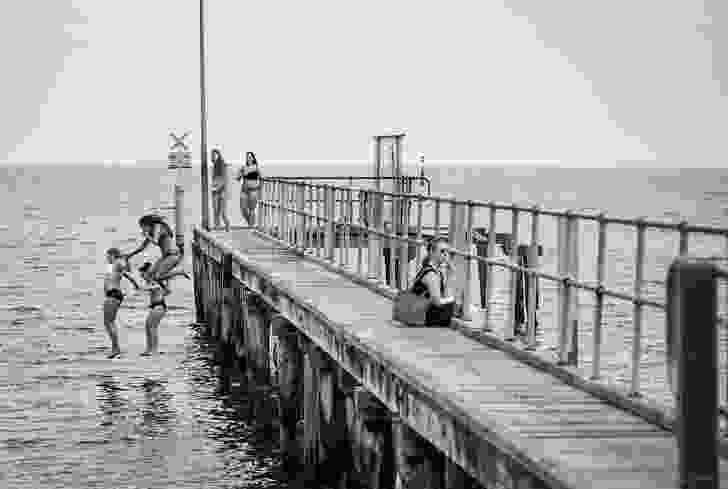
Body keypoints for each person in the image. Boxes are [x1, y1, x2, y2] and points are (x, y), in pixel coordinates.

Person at [124, 214, 189, 294]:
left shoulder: (158, 227)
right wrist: (129, 255)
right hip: (165, 256)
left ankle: (179, 272)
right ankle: (166, 289)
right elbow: (142, 247)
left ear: (147, 224)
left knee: (157, 276)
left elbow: (155, 241)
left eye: (142, 227)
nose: (142, 229)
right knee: (148, 275)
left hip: (173, 255)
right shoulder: (151, 232)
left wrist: (147, 235)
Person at [409, 237, 457, 327]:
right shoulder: (431, 274)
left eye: (447, 252)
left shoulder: (436, 271)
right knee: (451, 306)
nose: (445, 255)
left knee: (451, 305)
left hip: (424, 312)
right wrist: (452, 300)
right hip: (423, 315)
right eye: (442, 251)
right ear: (432, 252)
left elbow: (445, 295)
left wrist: (451, 274)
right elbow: (437, 302)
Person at [103, 247, 140, 358]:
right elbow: (126, 274)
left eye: (108, 256)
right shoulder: (113, 266)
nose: (106, 258)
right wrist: (135, 284)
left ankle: (116, 349)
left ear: (113, 255)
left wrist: (126, 258)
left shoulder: (117, 263)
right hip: (113, 294)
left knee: (108, 322)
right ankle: (115, 348)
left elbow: (127, 270)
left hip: (114, 294)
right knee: (109, 322)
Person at [138, 262, 166, 356]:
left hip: (159, 307)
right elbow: (167, 291)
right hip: (156, 307)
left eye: (143, 274)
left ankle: (154, 350)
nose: (142, 277)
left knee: (152, 327)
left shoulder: (154, 281)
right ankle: (149, 349)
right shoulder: (152, 281)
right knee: (148, 326)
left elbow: (151, 287)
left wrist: (140, 287)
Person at [236, 151, 262, 226]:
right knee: (243, 209)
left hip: (253, 190)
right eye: (247, 157)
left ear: (253, 158)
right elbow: (237, 178)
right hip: (244, 190)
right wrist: (240, 173)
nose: (248, 159)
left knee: (252, 210)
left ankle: (251, 225)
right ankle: (250, 223)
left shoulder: (256, 167)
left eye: (250, 157)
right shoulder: (243, 167)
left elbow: (262, 178)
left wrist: (259, 188)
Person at [211, 148, 231, 232]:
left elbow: (224, 180)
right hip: (216, 191)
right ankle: (217, 227)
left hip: (221, 191)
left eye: (213, 155)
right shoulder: (215, 166)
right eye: (211, 156)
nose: (212, 157)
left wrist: (218, 187)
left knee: (222, 212)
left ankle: (227, 225)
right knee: (216, 211)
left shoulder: (222, 165)